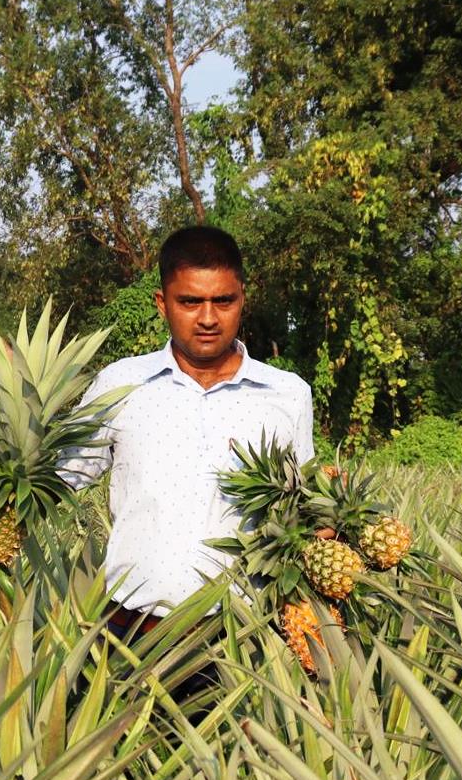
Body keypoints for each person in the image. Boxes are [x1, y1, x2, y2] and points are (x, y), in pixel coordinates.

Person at [63, 226, 315, 643]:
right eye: (190, 301)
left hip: (244, 635)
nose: (208, 318)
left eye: (223, 300)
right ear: (163, 304)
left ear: (242, 299)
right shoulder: (121, 384)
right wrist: (8, 392)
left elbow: (297, 512)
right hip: (133, 629)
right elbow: (59, 477)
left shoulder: (288, 394)